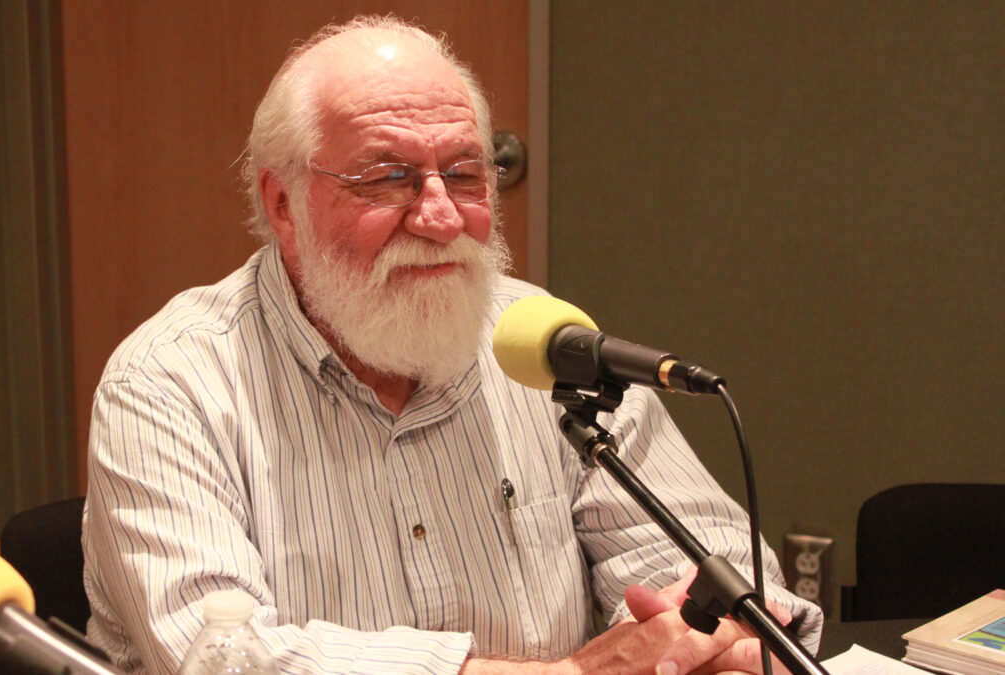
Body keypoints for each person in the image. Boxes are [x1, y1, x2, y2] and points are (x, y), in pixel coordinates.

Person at [82, 15, 823, 675]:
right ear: (284, 203)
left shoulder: (540, 339)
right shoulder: (169, 382)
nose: (440, 217)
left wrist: (707, 637)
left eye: (465, 174)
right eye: (388, 179)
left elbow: (710, 563)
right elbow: (221, 659)